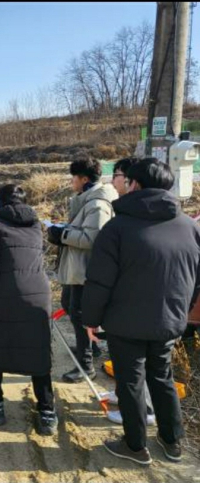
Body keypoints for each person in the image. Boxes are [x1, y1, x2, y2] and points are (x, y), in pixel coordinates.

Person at [83, 158, 200, 465]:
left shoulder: (117, 227)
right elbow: (195, 279)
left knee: (131, 381)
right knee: (161, 377)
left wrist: (90, 319)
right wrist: (181, 312)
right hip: (170, 321)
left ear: (134, 184)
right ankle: (171, 440)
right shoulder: (189, 226)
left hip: (126, 323)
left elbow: (99, 281)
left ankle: (135, 446)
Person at [0, 184, 57, 435]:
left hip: (7, 294)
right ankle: (47, 412)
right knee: (38, 350)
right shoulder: (35, 225)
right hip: (39, 294)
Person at [47, 159, 117, 383]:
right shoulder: (86, 201)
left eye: (73, 178)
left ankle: (85, 365)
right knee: (69, 305)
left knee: (79, 313)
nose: (71, 182)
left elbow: (93, 238)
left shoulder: (97, 204)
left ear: (84, 179)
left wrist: (63, 235)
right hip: (76, 267)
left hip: (85, 270)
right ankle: (90, 345)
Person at [99, 156, 156, 427]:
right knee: (125, 363)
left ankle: (141, 411)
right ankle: (125, 396)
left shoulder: (136, 218)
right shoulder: (124, 213)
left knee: (139, 365)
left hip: (139, 307)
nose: (114, 180)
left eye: (119, 175)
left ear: (134, 181)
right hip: (131, 305)